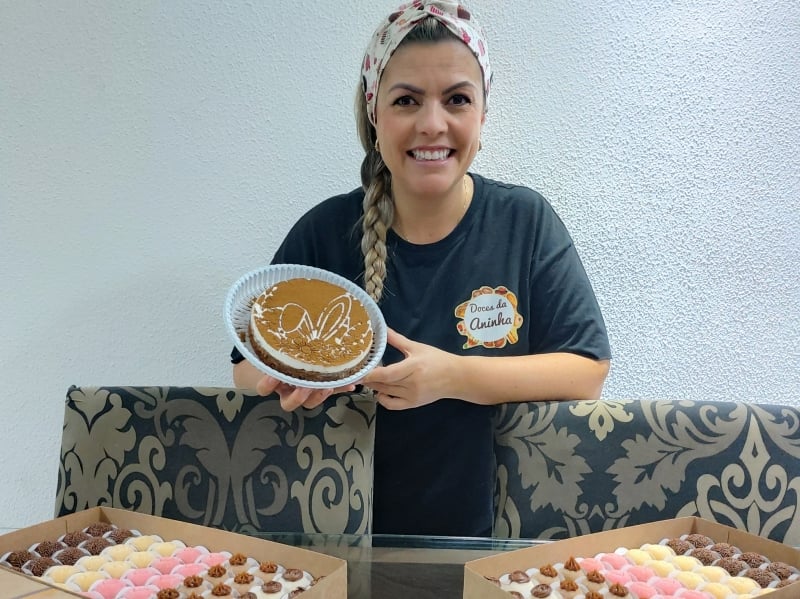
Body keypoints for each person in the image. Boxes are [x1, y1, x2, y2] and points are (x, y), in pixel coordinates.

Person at [232, 0, 611, 537]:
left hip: (489, 548)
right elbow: (244, 369)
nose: (433, 124)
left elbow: (586, 371)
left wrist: (451, 377)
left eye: (456, 99)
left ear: (482, 112)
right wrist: (297, 377)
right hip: (334, 543)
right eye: (407, 100)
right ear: (374, 113)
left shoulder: (524, 222)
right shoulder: (324, 231)